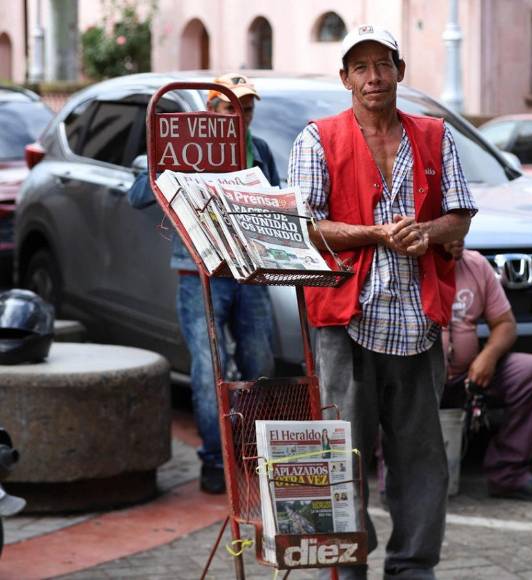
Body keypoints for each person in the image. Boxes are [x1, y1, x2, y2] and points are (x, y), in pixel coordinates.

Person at [288, 25, 476, 580]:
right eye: (361, 67)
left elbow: (460, 215)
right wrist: (376, 234)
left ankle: (413, 568)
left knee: (421, 461)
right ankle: (347, 566)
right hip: (346, 321)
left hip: (417, 322)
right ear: (344, 78)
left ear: (399, 71)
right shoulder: (317, 138)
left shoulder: (435, 136)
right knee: (341, 455)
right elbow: (304, 227)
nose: (374, 77)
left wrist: (430, 230)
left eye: (383, 65)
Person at [128, 73, 280, 494]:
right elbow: (138, 194)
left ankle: (252, 449)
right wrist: (168, 164)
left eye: (247, 108)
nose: (242, 116)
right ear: (211, 113)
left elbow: (275, 201)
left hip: (249, 271)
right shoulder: (182, 143)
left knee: (259, 362)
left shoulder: (260, 150)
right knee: (209, 368)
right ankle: (215, 459)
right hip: (200, 273)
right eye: (233, 107)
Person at [442, 239, 532, 502]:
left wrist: (489, 355)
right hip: (418, 379)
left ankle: (509, 475)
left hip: (467, 376)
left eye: (462, 227)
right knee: (388, 382)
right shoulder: (403, 265)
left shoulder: (475, 264)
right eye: (449, 229)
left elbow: (505, 324)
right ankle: (395, 482)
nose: (457, 238)